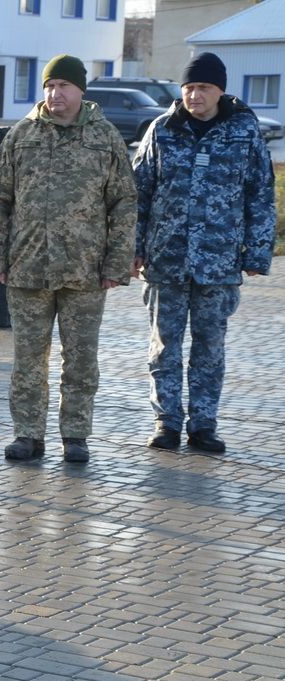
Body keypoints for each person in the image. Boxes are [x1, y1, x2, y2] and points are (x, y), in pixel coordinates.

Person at [0, 54, 136, 464]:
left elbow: (123, 203)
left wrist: (116, 264)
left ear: (80, 90)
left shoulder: (104, 137)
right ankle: (28, 434)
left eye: (63, 85)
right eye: (50, 86)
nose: (55, 94)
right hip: (27, 269)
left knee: (80, 359)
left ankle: (75, 435)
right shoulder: (22, 134)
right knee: (28, 360)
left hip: (85, 272)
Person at [132, 52, 276, 452]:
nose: (195, 95)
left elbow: (260, 193)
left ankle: (203, 424)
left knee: (210, 348)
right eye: (190, 87)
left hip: (218, 260)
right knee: (164, 346)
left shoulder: (243, 131)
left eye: (204, 88)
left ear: (220, 91)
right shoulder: (162, 130)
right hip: (166, 259)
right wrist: (134, 248)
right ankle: (166, 422)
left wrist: (257, 252)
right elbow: (139, 193)